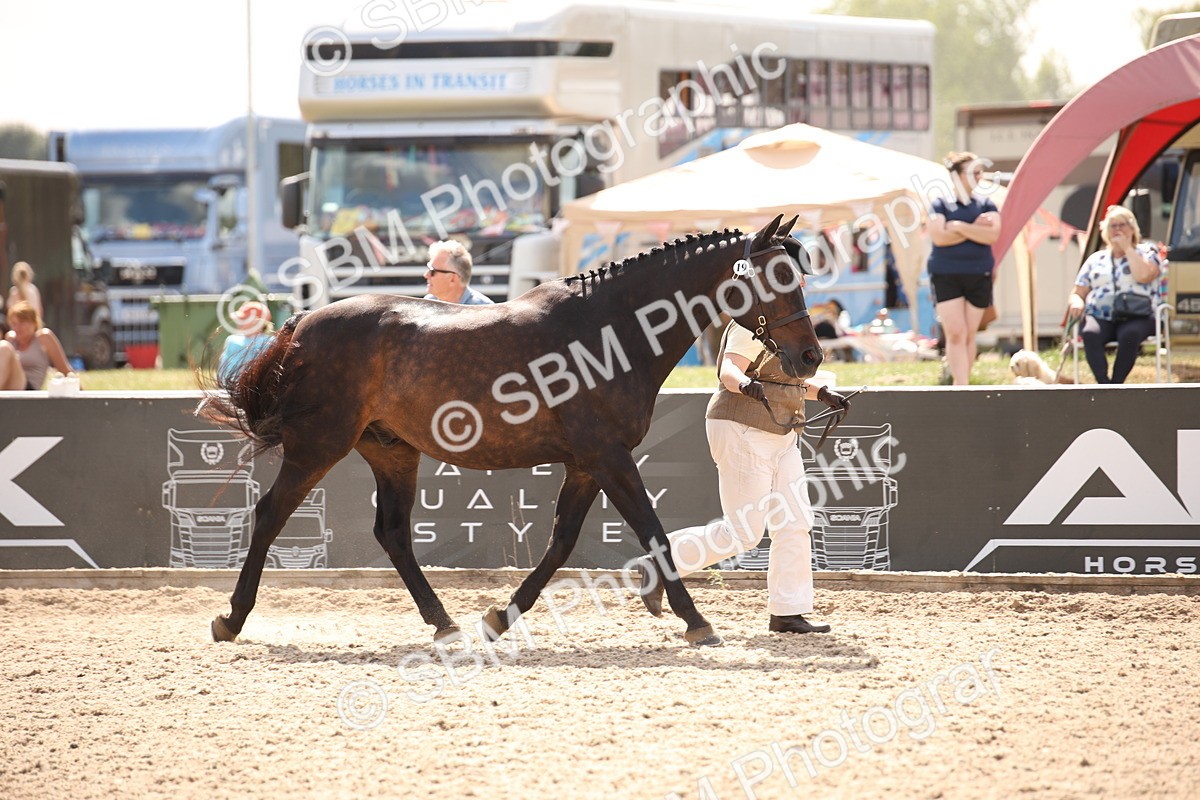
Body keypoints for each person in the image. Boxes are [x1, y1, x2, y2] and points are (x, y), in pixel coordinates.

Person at [636, 317, 851, 640]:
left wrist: (822, 393)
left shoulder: (792, 326)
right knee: (743, 533)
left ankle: (787, 612)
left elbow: (786, 381)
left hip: (783, 431)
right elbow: (730, 370)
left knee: (795, 521)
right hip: (742, 427)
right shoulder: (753, 325)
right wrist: (744, 384)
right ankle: (661, 561)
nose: (802, 285)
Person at [1067, 205, 1164, 384]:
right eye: (1113, 225)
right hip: (1102, 315)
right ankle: (1104, 385)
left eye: (1122, 224)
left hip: (1139, 315)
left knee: (1129, 335)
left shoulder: (1147, 252)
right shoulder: (1096, 259)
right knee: (1090, 332)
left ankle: (1117, 385)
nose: (1117, 229)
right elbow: (1078, 292)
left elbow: (1144, 275)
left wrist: (1128, 249)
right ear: (1105, 230)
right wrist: (1077, 302)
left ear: (1133, 228)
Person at [927, 152, 1001, 385]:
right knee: (956, 332)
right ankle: (961, 386)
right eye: (973, 172)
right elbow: (939, 237)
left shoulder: (987, 203)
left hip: (979, 274)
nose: (979, 176)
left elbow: (993, 234)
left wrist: (957, 226)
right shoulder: (940, 203)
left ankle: (965, 382)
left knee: (970, 333)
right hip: (946, 274)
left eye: (980, 172)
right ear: (957, 176)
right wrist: (973, 228)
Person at [5, 301, 73, 390]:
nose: (17, 328)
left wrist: (83, 396)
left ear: (34, 323)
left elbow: (65, 370)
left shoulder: (44, 338)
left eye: (22, 323)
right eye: (14, 324)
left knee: (4, 348)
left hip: (28, 388)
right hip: (7, 386)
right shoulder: (11, 339)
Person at [422, 240, 494, 305]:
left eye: (432, 271)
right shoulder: (429, 303)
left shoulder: (483, 310)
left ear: (452, 278)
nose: (426, 275)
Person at [218, 301, 275, 381]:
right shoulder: (232, 341)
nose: (239, 322)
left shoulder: (270, 343)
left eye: (244, 319)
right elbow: (223, 373)